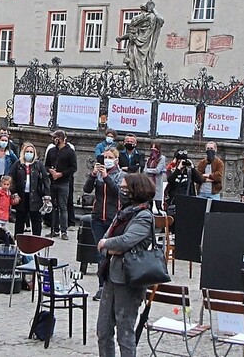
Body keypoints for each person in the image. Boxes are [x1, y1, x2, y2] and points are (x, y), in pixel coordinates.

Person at [96, 173, 156, 357]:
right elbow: (105, 239)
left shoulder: (144, 216)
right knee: (103, 331)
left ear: (135, 190)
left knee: (125, 333)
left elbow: (125, 241)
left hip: (129, 279)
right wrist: (109, 247)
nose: (121, 191)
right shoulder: (123, 213)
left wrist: (109, 245)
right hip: (111, 276)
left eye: (124, 188)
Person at [84, 147, 125, 301]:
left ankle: (113, 284)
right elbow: (87, 189)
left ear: (116, 160)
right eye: (104, 156)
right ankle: (102, 286)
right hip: (97, 218)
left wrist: (106, 176)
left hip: (113, 218)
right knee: (100, 251)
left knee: (111, 251)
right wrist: (93, 175)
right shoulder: (98, 175)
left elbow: (118, 192)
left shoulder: (121, 175)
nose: (106, 159)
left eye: (110, 157)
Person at [115, 1, 164, 87]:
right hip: (146, 48)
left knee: (134, 65)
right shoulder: (153, 19)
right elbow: (161, 20)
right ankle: (143, 85)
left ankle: (136, 84)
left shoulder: (136, 19)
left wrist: (121, 38)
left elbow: (131, 34)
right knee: (143, 65)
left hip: (135, 46)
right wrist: (154, 10)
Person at [9, 142, 52, 236]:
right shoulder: (18, 164)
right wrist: (14, 193)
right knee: (20, 220)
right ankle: (18, 240)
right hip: (21, 196)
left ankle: (36, 242)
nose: (29, 153)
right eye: (27, 151)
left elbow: (45, 179)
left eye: (31, 152)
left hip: (36, 196)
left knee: (36, 220)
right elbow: (11, 179)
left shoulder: (39, 165)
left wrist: (47, 195)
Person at [45, 130, 77, 240]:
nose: (54, 140)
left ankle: (64, 230)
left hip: (63, 182)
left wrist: (61, 174)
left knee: (63, 207)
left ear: (61, 138)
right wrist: (50, 170)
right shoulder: (51, 151)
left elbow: (73, 168)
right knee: (54, 206)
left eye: (56, 138)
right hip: (53, 181)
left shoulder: (69, 152)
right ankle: (54, 229)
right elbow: (46, 165)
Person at [142, 141, 166, 210]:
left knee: (158, 205)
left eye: (155, 147)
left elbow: (157, 170)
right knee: (149, 204)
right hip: (149, 183)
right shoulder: (149, 158)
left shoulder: (162, 158)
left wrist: (148, 170)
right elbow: (144, 169)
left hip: (157, 183)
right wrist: (147, 171)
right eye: (152, 147)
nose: (153, 149)